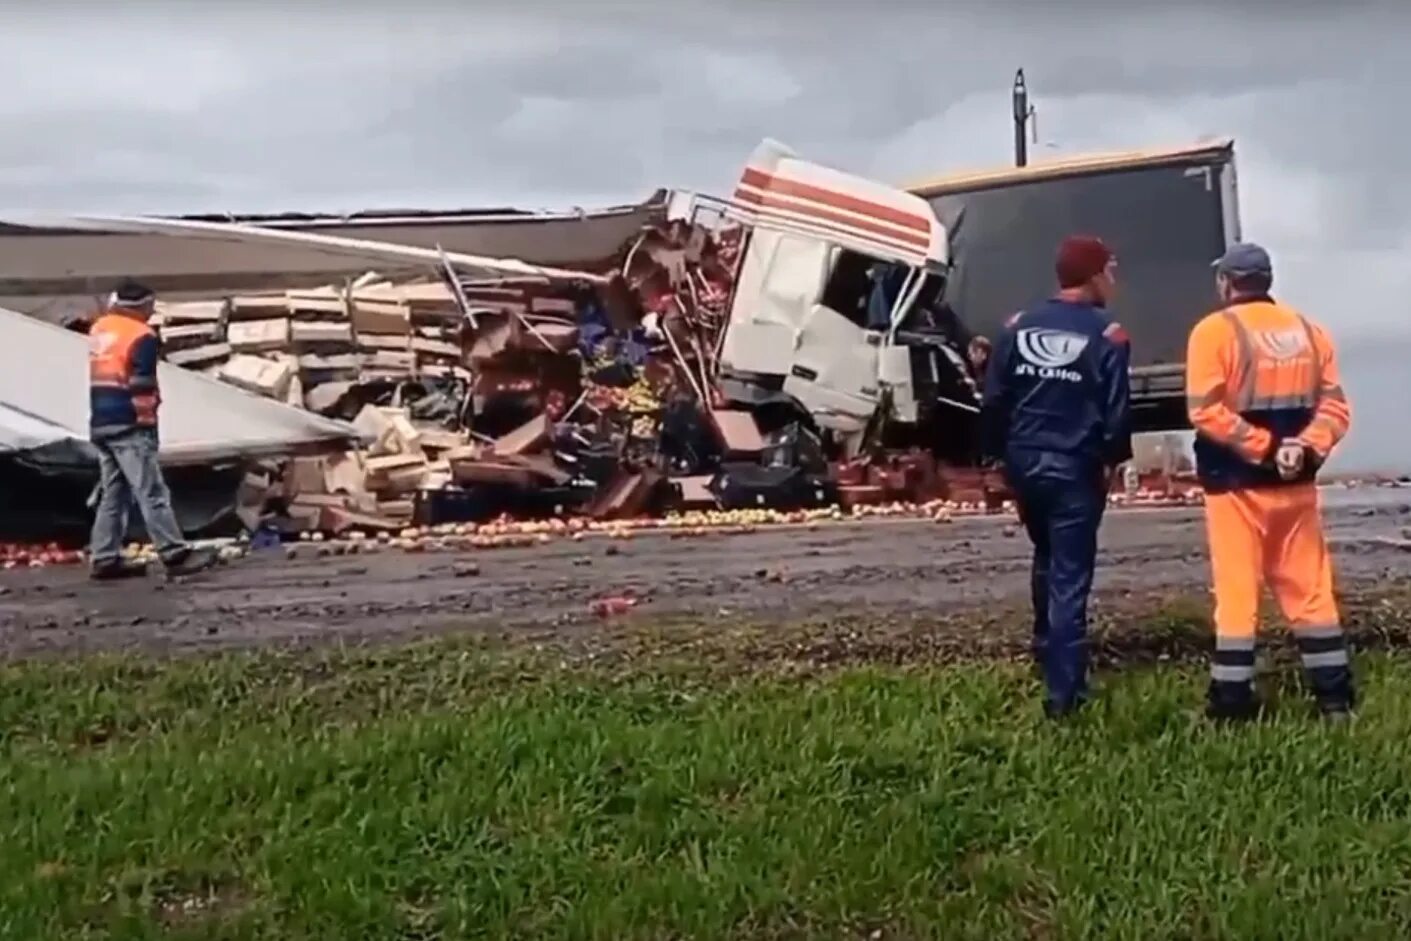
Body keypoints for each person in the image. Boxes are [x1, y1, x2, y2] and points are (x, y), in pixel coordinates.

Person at [1186, 243, 1354, 721]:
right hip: (1295, 486)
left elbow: (1205, 409)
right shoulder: (1311, 331)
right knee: (1311, 592)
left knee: (1238, 596)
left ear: (1226, 283)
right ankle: (1335, 700)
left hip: (1235, 486)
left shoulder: (1213, 332)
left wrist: (1261, 447)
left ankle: (1232, 704)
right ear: (1267, 281)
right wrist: (1301, 449)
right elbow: (1336, 410)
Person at [980, 236, 1133, 717]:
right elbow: (1117, 412)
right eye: (1110, 270)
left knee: (1045, 555)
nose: (1114, 279)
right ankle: (1064, 694)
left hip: (1026, 465)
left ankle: (1045, 649)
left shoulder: (1017, 327)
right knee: (1070, 575)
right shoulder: (1108, 335)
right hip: (1074, 468)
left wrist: (997, 461)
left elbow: (994, 403)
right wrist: (1111, 460)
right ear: (1090, 276)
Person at [88, 279, 216, 580]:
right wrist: (147, 423)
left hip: (101, 421)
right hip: (130, 423)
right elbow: (141, 384)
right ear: (142, 305)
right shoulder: (142, 335)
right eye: (151, 306)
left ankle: (104, 556)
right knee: (152, 491)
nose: (152, 311)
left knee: (114, 494)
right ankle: (173, 553)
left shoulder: (100, 329)